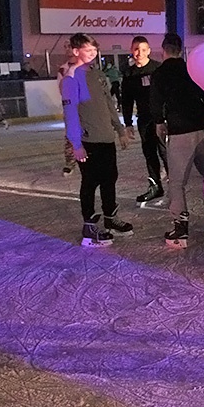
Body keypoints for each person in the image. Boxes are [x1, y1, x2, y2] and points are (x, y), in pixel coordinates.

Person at [60, 33, 133, 247]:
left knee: (110, 178)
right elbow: (70, 113)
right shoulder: (71, 79)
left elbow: (109, 104)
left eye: (94, 50)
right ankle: (89, 229)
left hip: (106, 139)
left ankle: (111, 219)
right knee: (90, 182)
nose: (93, 53)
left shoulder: (98, 75)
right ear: (75, 51)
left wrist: (119, 130)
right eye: (88, 50)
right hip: (88, 141)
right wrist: (76, 144)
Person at [150, 33, 204, 249]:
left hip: (180, 132)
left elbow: (155, 101)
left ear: (163, 49)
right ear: (180, 50)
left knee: (177, 182)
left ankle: (180, 229)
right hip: (202, 130)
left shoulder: (160, 73)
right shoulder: (191, 70)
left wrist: (158, 122)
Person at [122, 36, 168, 203]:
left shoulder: (158, 69)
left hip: (161, 119)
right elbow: (126, 100)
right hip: (144, 120)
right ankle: (155, 186)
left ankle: (175, 187)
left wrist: (164, 118)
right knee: (149, 153)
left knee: (165, 152)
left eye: (142, 49)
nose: (139, 53)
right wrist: (128, 124)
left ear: (149, 51)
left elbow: (167, 95)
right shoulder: (129, 74)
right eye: (136, 49)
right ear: (131, 51)